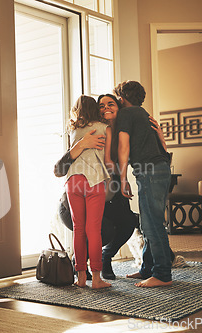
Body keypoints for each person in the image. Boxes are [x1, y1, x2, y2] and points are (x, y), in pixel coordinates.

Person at [113, 80, 173, 288]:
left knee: (152, 224)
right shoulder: (144, 114)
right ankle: (147, 269)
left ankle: (163, 274)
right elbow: (160, 147)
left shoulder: (126, 114)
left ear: (121, 98)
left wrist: (122, 179)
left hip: (149, 170)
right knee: (149, 221)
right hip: (161, 168)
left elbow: (123, 146)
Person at [64, 95, 111, 289]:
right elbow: (108, 160)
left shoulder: (72, 130)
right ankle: (97, 279)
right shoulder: (104, 128)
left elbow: (70, 154)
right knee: (94, 230)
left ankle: (81, 277)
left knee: (79, 229)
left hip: (73, 180)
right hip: (94, 180)